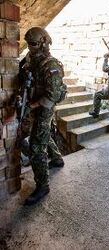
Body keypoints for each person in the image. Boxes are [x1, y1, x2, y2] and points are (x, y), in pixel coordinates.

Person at [20, 27, 66, 205]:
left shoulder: (50, 65)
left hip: (45, 106)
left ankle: (43, 186)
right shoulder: (32, 59)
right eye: (28, 44)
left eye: (33, 44)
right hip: (34, 102)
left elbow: (52, 95)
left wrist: (31, 105)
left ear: (43, 43)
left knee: (36, 145)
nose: (30, 47)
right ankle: (57, 158)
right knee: (43, 133)